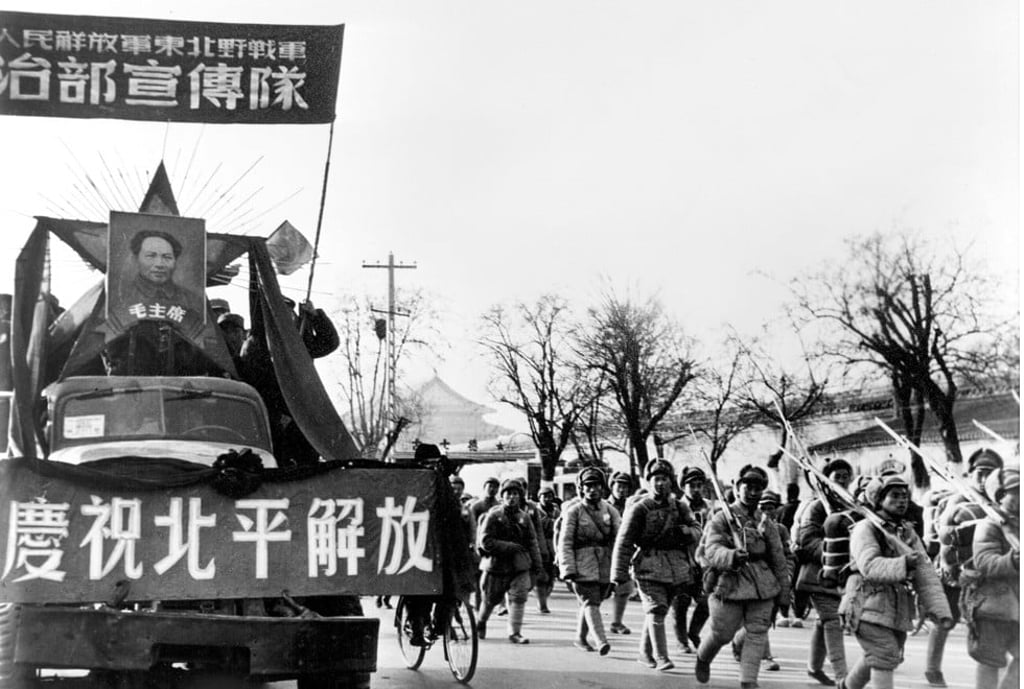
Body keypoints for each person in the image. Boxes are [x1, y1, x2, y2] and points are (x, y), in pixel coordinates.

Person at [838, 474, 952, 689]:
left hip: (895, 608)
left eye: (905, 496)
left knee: (885, 654)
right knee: (884, 653)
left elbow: (925, 573)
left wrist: (940, 610)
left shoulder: (906, 531)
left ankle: (846, 686)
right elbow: (869, 566)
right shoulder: (865, 529)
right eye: (894, 496)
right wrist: (903, 564)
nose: (902, 501)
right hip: (866, 603)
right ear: (878, 499)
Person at [693, 464, 790, 689]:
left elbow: (778, 558)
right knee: (722, 634)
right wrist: (731, 555)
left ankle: (749, 682)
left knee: (757, 633)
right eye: (748, 486)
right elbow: (711, 549)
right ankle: (703, 657)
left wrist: (784, 593)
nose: (753, 492)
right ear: (737, 487)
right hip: (729, 582)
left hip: (762, 584)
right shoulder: (720, 518)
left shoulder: (766, 523)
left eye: (758, 487)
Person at [611, 459, 702, 672]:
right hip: (648, 564)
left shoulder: (680, 507)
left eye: (664, 479)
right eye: (656, 479)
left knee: (659, 609)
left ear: (672, 482)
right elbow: (624, 541)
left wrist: (687, 532)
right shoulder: (639, 508)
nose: (660, 483)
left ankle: (645, 653)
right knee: (656, 608)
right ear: (649, 481)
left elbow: (698, 529)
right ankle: (661, 657)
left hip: (675, 567)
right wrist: (618, 572)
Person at [933, 448, 1004, 687]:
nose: (984, 479)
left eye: (990, 473)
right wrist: (953, 570)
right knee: (946, 619)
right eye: (980, 473)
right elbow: (943, 537)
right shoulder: (956, 502)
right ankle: (933, 669)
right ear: (971, 474)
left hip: (988, 573)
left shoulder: (1002, 502)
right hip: (956, 571)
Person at [795, 457, 855, 686]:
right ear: (826, 480)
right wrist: (835, 552)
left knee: (824, 620)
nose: (841, 479)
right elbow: (807, 541)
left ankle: (814, 667)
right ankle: (843, 676)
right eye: (836, 476)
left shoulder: (853, 506)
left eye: (845, 475)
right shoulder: (816, 506)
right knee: (833, 620)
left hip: (845, 575)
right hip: (818, 576)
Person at [962, 464, 1019, 689]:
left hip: (1018, 607)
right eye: (1018, 490)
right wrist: (1013, 560)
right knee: (990, 661)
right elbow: (984, 562)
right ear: (1002, 495)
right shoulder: (990, 525)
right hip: (994, 606)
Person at [559, 467, 620, 656]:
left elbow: (618, 540)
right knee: (590, 601)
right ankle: (601, 640)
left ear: (603, 488)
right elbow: (565, 541)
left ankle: (580, 637)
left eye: (596, 485)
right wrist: (567, 569)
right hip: (581, 564)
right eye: (588, 486)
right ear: (581, 488)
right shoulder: (574, 511)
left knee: (593, 602)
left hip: (604, 565)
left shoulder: (610, 510)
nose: (592, 489)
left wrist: (619, 567)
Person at [731, 489, 793, 673]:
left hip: (772, 581)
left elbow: (788, 556)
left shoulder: (780, 530)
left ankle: (739, 643)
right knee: (756, 621)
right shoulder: (745, 525)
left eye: (771, 507)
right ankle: (764, 656)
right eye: (762, 507)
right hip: (748, 578)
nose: (767, 511)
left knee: (765, 621)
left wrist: (787, 574)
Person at [476, 478, 543, 644]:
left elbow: (532, 542)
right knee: (490, 600)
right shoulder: (493, 515)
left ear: (520, 497)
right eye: (508, 494)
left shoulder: (525, 518)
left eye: (515, 494)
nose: (512, 497)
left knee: (519, 598)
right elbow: (485, 541)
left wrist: (537, 563)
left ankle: (515, 632)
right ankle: (481, 622)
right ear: (502, 496)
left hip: (519, 565)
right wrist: (508, 546)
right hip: (496, 565)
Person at [117, 230, 204, 332]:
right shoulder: (121, 295)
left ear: (175, 262)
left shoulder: (192, 300)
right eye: (151, 256)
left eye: (167, 257)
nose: (159, 264)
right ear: (136, 259)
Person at [672, 466, 711, 653]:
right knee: (681, 602)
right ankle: (681, 640)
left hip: (705, 563)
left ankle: (693, 632)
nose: (696, 489)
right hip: (682, 560)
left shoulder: (710, 507)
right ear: (683, 486)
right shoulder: (677, 507)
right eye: (691, 485)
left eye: (699, 485)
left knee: (707, 601)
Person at [606, 470, 636, 635]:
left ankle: (616, 622)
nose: (622, 490)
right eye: (619, 485)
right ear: (612, 486)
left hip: (624, 553)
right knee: (598, 591)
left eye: (625, 486)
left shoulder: (631, 507)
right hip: (606, 552)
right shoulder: (604, 505)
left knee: (623, 588)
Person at [535, 485, 560, 614]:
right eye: (544, 496)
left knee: (551, 576)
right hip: (540, 545)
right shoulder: (536, 511)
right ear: (539, 498)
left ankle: (545, 597)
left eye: (549, 496)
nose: (547, 499)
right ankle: (542, 604)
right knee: (541, 577)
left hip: (554, 546)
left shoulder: (556, 511)